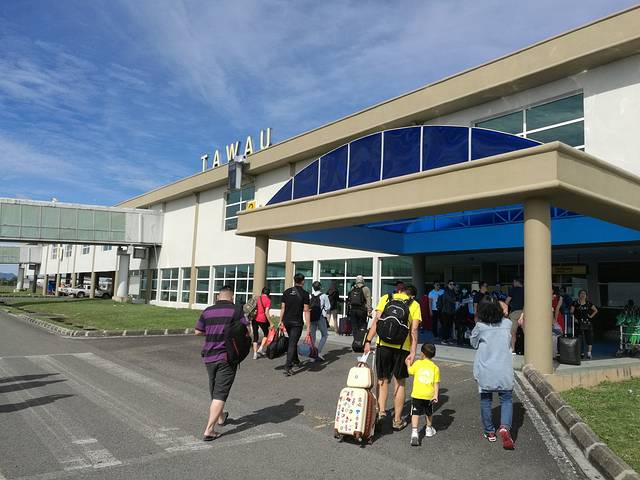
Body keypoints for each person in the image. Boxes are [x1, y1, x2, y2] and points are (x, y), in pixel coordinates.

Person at [195, 285, 250, 441]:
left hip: (209, 356)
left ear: (218, 296)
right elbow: (245, 330)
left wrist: (212, 332)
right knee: (220, 393)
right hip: (226, 357)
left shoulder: (207, 311)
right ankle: (209, 430)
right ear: (232, 297)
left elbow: (198, 331)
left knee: (215, 389)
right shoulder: (236, 311)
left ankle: (220, 417)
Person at [364, 282, 421, 431]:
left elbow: (376, 322)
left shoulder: (386, 298)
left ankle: (381, 412)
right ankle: (397, 420)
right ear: (412, 295)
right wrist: (413, 352)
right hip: (402, 348)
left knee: (382, 380)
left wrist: (368, 341)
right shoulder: (414, 304)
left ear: (400, 291)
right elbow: (414, 330)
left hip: (383, 345)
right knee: (400, 382)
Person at [470, 295, 515, 450]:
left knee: (486, 400)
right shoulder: (507, 324)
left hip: (485, 370)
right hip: (504, 369)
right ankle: (504, 427)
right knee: (506, 399)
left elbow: (473, 343)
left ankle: (490, 432)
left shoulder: (480, 326)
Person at [406, 343, 440, 446]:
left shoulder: (417, 363)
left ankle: (414, 432)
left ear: (422, 353)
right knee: (429, 412)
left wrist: (408, 364)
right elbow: (436, 383)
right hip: (429, 395)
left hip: (417, 394)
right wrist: (435, 395)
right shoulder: (435, 368)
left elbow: (410, 372)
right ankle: (428, 429)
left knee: (415, 413)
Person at [280, 273, 311, 376]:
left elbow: (283, 307)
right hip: (297, 323)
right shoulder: (305, 294)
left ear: (294, 280)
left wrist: (280, 321)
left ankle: (296, 360)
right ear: (303, 281)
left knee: (292, 341)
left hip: (287, 321)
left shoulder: (286, 292)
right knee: (292, 343)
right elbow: (306, 310)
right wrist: (308, 326)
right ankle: (288, 366)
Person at [570, 289, 598, 360]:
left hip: (587, 323)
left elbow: (596, 310)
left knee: (589, 338)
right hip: (578, 323)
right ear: (579, 295)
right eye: (581, 293)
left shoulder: (588, 303)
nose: (582, 295)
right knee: (580, 338)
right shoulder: (575, 303)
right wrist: (574, 319)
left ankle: (589, 353)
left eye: (584, 294)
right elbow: (571, 312)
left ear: (586, 296)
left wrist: (591, 316)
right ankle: (581, 353)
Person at [309, 281, 331, 361]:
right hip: (320, 317)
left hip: (311, 317)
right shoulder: (324, 296)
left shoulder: (310, 296)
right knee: (324, 335)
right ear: (320, 287)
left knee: (313, 336)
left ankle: (312, 352)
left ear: (313, 288)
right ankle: (318, 352)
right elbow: (328, 307)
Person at [505, 279, 524, 352]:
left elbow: (506, 302)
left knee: (513, 332)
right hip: (524, 312)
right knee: (527, 333)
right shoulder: (526, 290)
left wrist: (511, 306)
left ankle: (513, 349)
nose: (513, 283)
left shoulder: (513, 290)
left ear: (517, 282)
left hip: (514, 313)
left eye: (513, 282)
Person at [252, 287, 271, 359]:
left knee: (255, 336)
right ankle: (261, 348)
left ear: (262, 292)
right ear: (268, 293)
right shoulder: (268, 300)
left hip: (254, 319)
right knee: (267, 333)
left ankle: (255, 354)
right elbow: (266, 312)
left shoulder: (257, 298)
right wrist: (271, 322)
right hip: (262, 319)